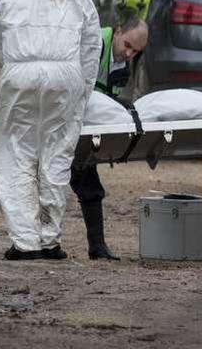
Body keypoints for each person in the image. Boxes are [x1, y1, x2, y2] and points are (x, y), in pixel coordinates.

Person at [0, 0, 101, 260]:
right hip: (65, 76)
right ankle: (50, 240)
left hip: (19, 74)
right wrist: (83, 87)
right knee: (56, 156)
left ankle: (25, 242)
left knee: (15, 154)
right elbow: (92, 46)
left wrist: (11, 68)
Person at [69, 19, 148, 260]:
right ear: (118, 32)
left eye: (136, 51)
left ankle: (98, 247)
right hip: (65, 122)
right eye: (127, 45)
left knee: (90, 187)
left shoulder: (123, 66)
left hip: (84, 128)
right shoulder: (93, 43)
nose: (129, 53)